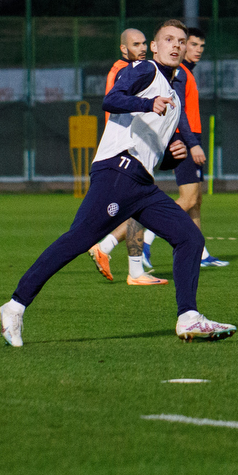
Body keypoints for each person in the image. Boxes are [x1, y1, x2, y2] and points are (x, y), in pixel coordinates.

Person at [0, 20, 235, 347]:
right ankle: (15, 306)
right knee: (78, 239)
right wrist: (146, 103)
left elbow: (153, 151)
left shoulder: (173, 96)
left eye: (181, 41)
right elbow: (112, 99)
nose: (176, 45)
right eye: (169, 39)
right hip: (118, 172)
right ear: (154, 46)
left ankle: (188, 318)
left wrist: (172, 154)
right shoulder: (144, 69)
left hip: (142, 185)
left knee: (189, 237)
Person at [87, 28, 169, 285]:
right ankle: (107, 248)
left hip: (135, 149)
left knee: (136, 207)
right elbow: (114, 103)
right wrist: (147, 105)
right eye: (136, 44)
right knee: (100, 219)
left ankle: (129, 266)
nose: (142, 48)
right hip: (123, 152)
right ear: (124, 49)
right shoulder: (127, 71)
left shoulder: (139, 68)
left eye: (144, 43)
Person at [178, 26, 228, 267]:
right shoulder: (180, 72)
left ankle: (200, 254)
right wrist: (191, 143)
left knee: (196, 200)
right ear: (182, 44)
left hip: (192, 139)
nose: (198, 50)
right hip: (186, 141)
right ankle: (145, 238)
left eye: (201, 46)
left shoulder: (189, 72)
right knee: (187, 200)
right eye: (193, 44)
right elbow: (179, 112)